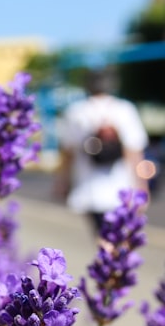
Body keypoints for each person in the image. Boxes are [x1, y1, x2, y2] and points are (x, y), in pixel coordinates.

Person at [53, 67, 150, 232]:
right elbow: (135, 154)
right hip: (121, 188)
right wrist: (142, 186)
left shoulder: (76, 112)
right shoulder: (124, 109)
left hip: (89, 189)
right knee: (119, 236)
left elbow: (68, 154)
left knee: (103, 236)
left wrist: (62, 182)